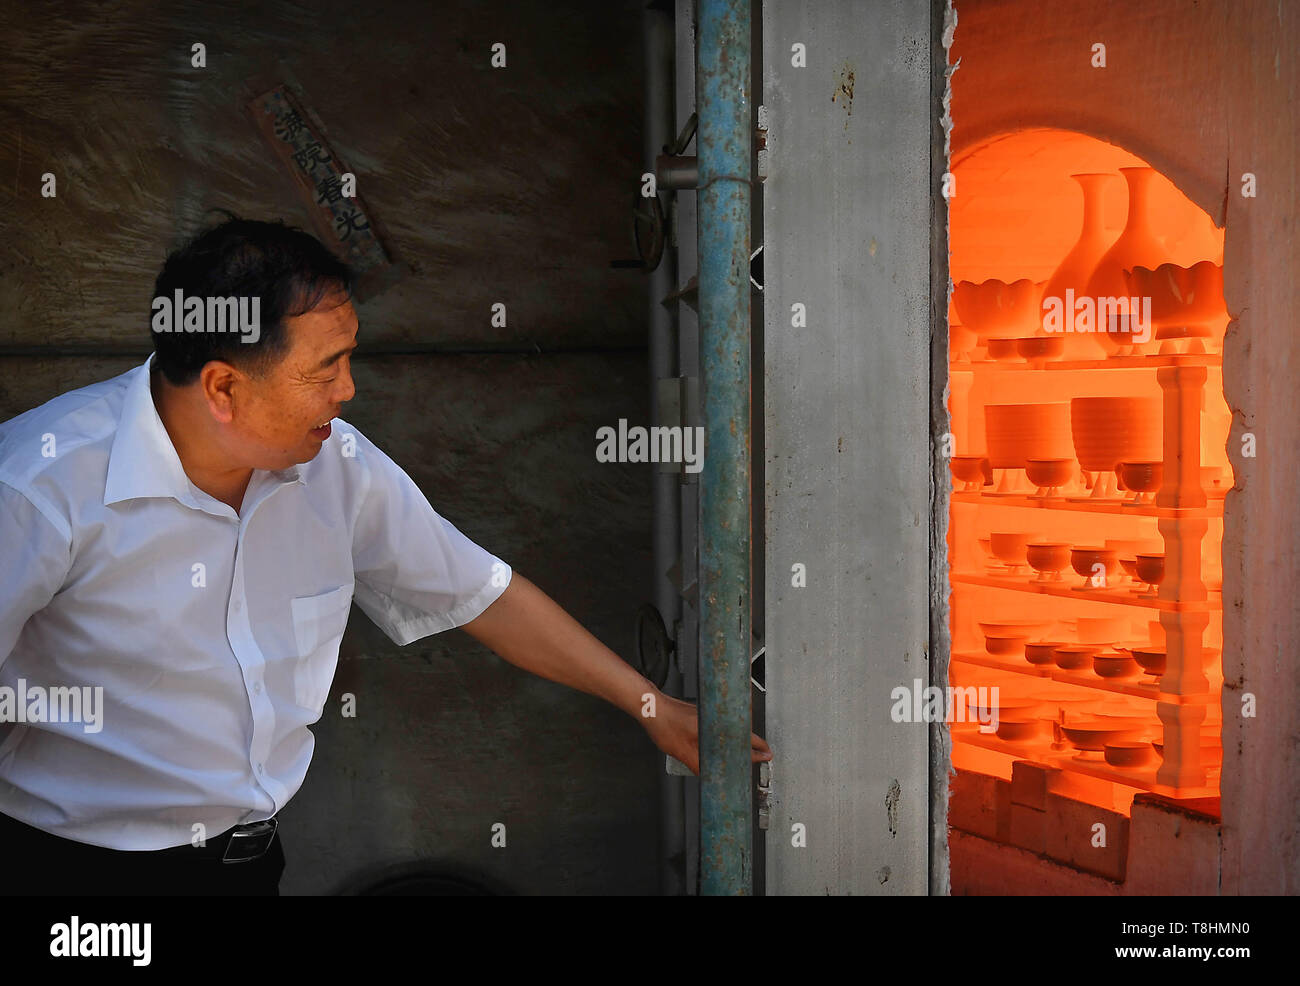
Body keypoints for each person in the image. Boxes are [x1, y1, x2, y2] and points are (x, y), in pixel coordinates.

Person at [0, 218, 772, 896]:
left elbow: (481, 592)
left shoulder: (336, 465)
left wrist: (652, 708)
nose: (349, 391)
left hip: (247, 865)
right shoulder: (40, 486)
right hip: (70, 873)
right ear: (224, 387)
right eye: (324, 369)